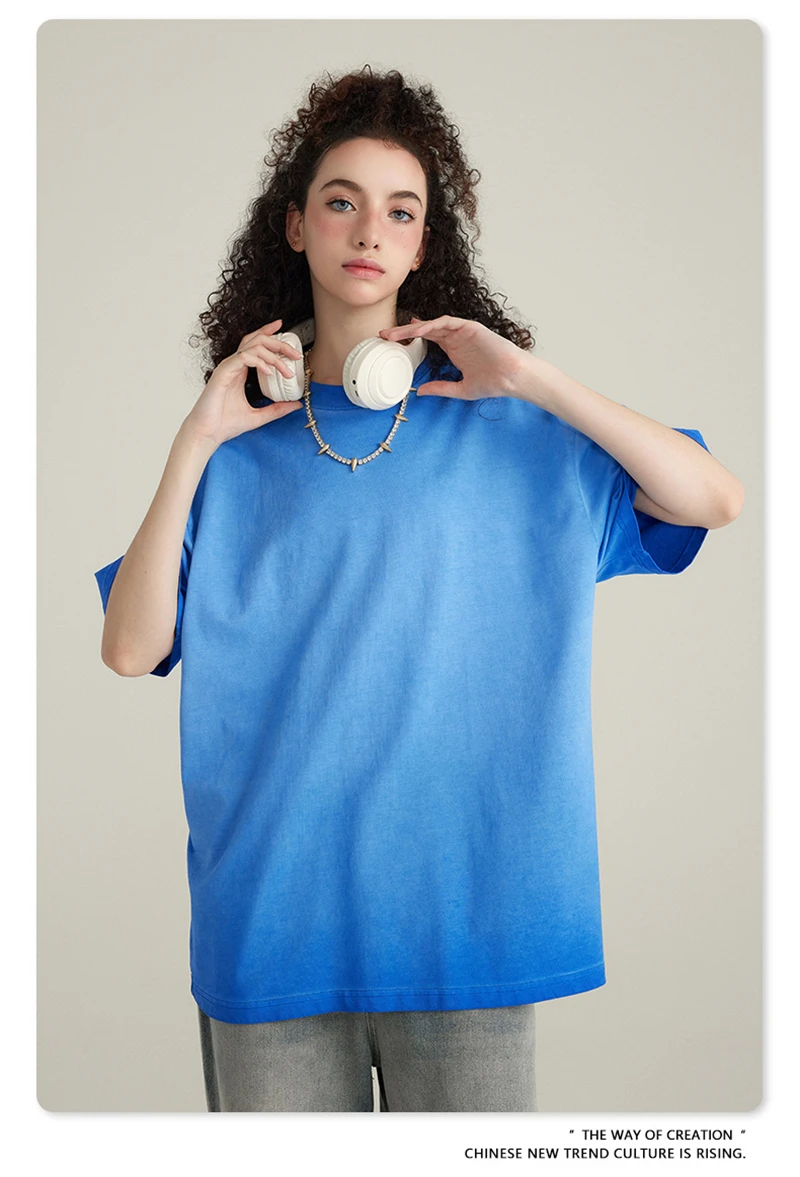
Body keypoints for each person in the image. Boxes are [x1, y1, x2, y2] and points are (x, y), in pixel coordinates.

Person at [94, 65, 744, 1114]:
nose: (370, 229)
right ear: (295, 225)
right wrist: (193, 440)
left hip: (468, 929)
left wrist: (529, 377)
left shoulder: (518, 437)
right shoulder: (232, 454)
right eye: (341, 200)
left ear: (423, 244)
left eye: (400, 210)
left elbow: (713, 496)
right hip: (272, 924)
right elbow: (129, 649)